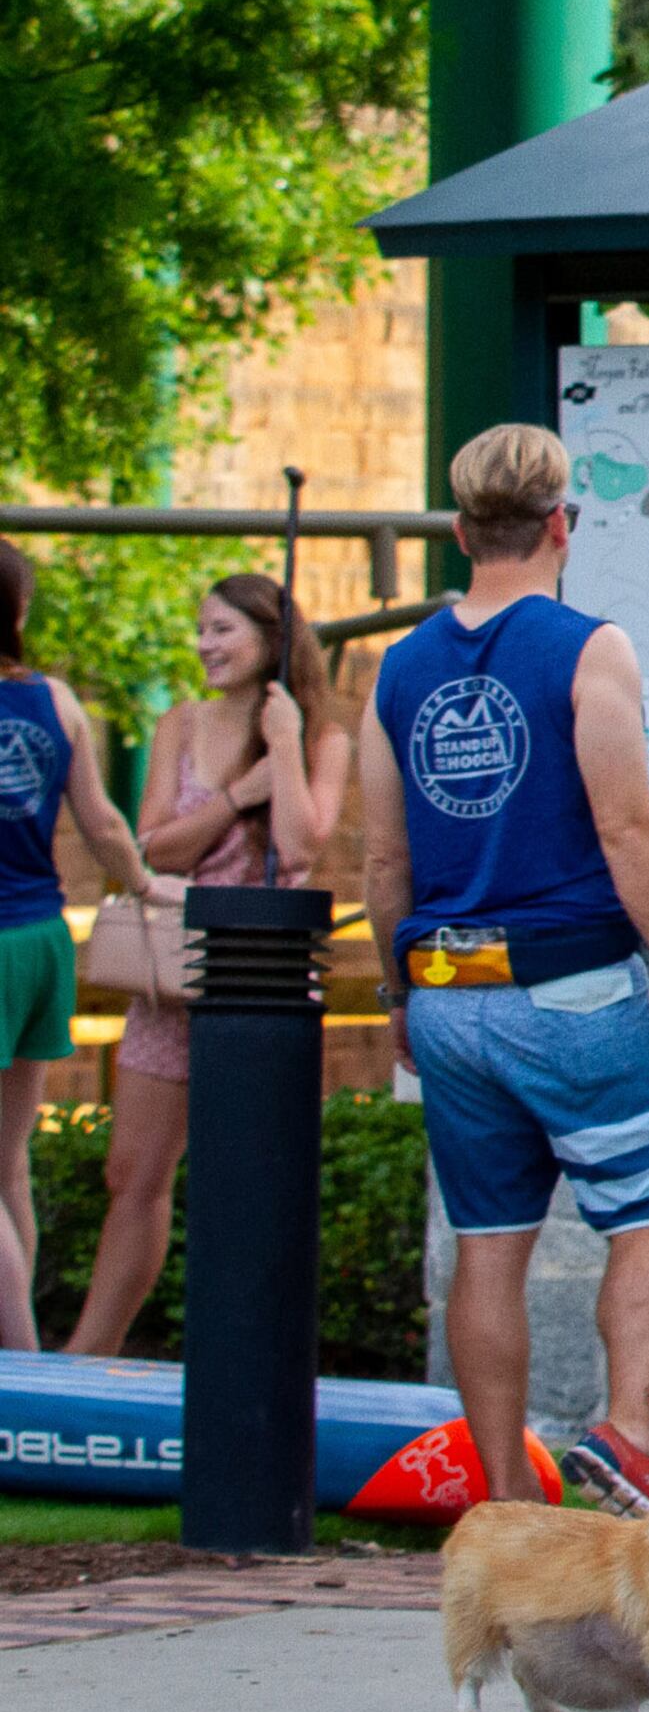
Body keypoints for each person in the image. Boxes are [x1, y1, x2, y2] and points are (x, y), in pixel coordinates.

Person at [360, 427, 649, 1508]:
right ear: (564, 522)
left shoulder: (401, 664)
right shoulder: (584, 645)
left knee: (488, 1244)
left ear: (464, 531)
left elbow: (383, 858)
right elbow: (627, 825)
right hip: (572, 986)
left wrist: (394, 989)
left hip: (447, 996)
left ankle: (509, 1495)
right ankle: (625, 1429)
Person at [71, 573, 352, 1356]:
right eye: (202, 629)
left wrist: (286, 748)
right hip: (177, 969)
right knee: (132, 1173)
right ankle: (87, 1356)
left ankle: (243, 1358)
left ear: (271, 637)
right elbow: (152, 844)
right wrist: (236, 796)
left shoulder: (322, 737)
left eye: (222, 629)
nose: (205, 645)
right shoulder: (180, 724)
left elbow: (300, 846)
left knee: (247, 1184)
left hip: (263, 977)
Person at [0, 540, 158, 1351]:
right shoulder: (55, 702)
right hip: (41, 939)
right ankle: (23, 1363)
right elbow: (100, 821)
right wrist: (143, 883)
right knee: (10, 1160)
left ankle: (21, 1363)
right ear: (18, 612)